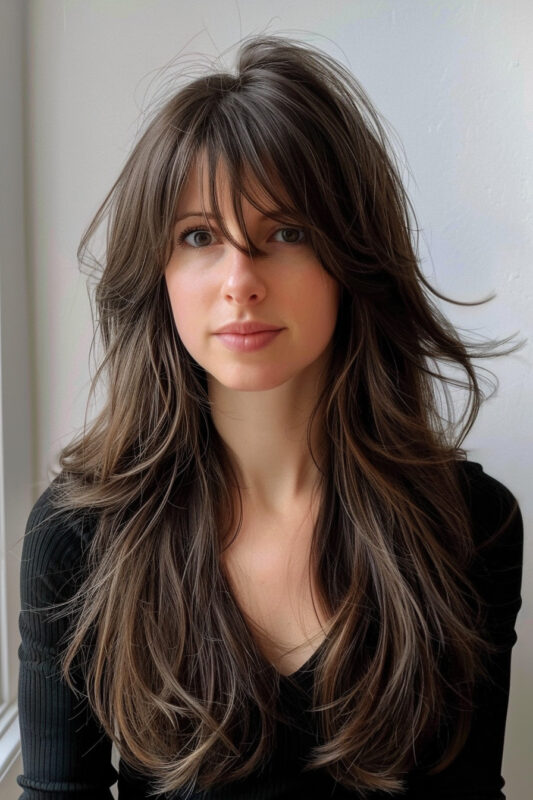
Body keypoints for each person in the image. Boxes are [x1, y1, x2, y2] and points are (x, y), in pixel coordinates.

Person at [17, 33, 524, 800]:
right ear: (159, 273)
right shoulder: (79, 534)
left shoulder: (469, 525)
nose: (239, 281)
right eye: (198, 237)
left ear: (352, 257)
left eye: (285, 233)